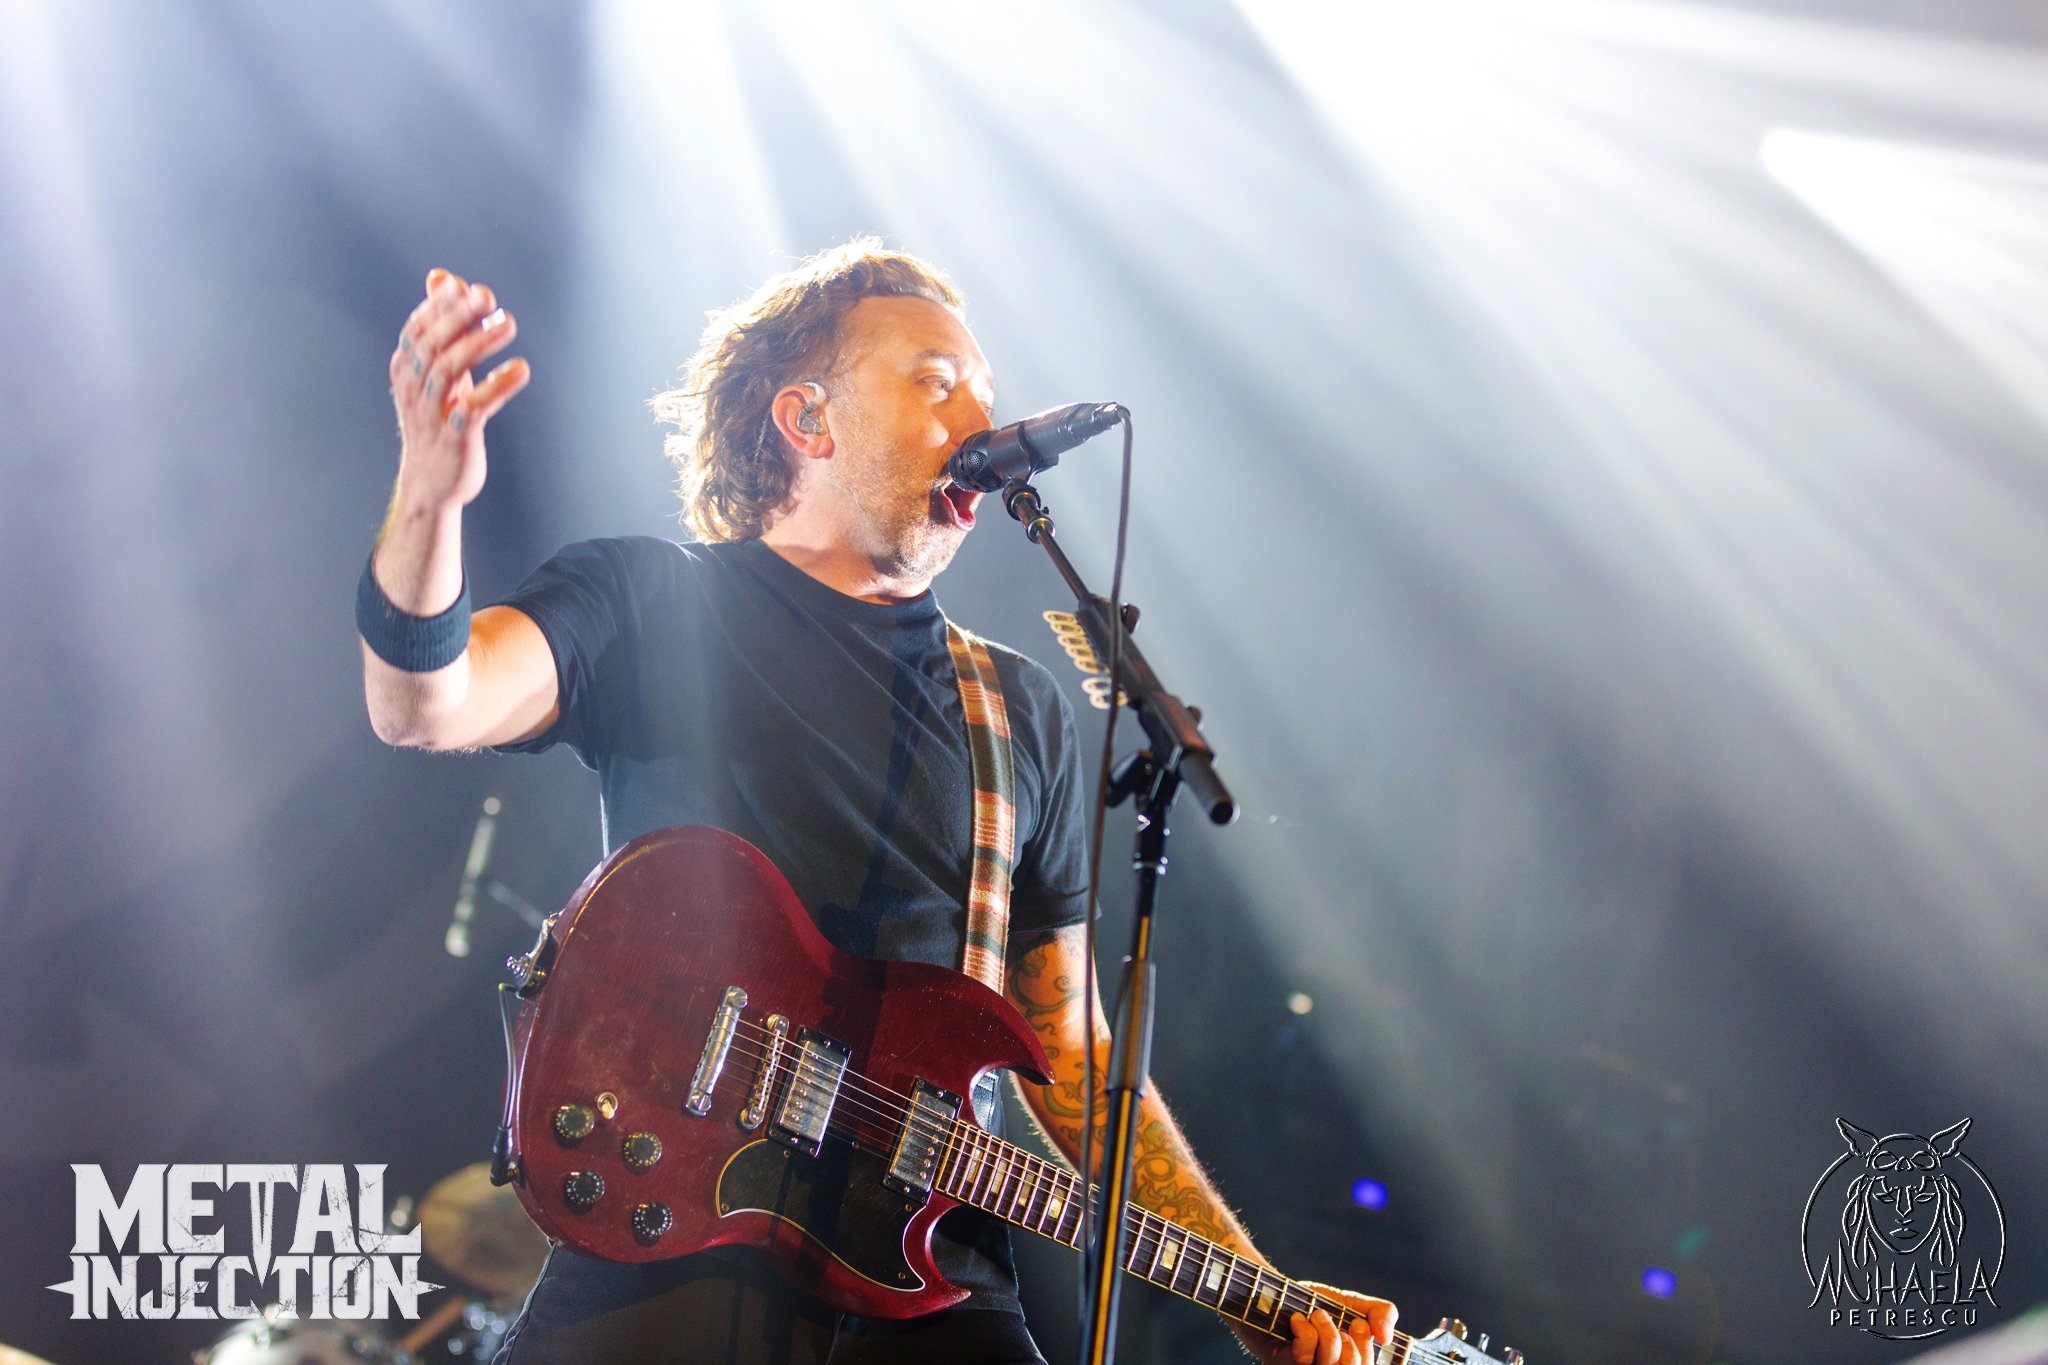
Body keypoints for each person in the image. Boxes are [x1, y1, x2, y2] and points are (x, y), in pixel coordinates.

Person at [358, 240, 1396, 1365]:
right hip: (671, 1238)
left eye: (985, 393)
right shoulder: (651, 601)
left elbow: (1073, 1054)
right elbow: (426, 703)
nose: (981, 421)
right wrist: (430, 500)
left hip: (935, 1290)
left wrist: (1254, 1293)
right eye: (936, 382)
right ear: (807, 419)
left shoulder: (1017, 710)